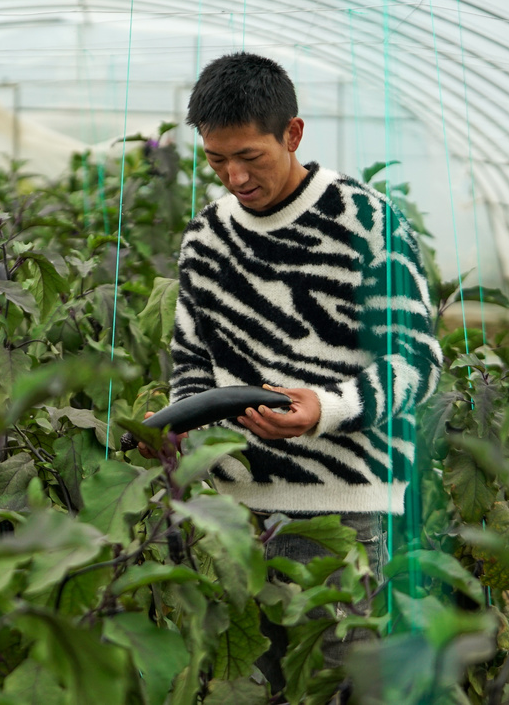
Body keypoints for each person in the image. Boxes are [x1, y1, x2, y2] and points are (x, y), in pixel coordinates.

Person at [149, 52, 442, 697]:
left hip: (342, 515)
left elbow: (417, 362)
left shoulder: (367, 223)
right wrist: (180, 436)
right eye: (217, 160)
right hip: (234, 519)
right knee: (247, 686)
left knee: (339, 684)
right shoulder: (206, 238)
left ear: (293, 133)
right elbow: (192, 365)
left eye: (249, 157)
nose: (234, 177)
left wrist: (325, 409)